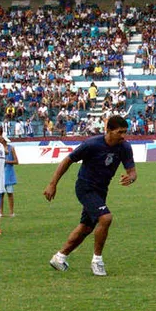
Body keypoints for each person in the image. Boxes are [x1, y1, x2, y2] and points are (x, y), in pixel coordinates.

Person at [43, 115, 137, 276]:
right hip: (85, 187)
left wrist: (131, 178)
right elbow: (67, 161)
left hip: (101, 190)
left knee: (86, 227)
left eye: (125, 132)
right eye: (120, 132)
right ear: (109, 131)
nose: (123, 136)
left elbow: (132, 171)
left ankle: (59, 257)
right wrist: (52, 184)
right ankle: (97, 261)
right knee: (105, 218)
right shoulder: (92, 144)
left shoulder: (125, 147)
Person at [0, 138, 19, 217]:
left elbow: (16, 161)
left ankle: (11, 212)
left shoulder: (11, 148)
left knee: (10, 193)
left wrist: (7, 162)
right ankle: (0, 212)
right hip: (0, 175)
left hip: (9, 174)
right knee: (1, 194)